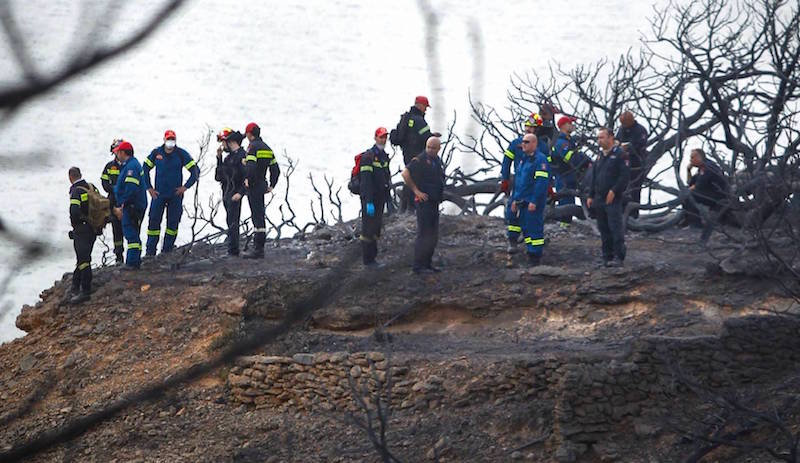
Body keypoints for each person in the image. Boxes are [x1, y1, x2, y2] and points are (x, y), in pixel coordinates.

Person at [142, 130, 199, 256]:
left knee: (172, 224)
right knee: (153, 222)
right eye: (168, 139)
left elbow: (195, 171)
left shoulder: (181, 154)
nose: (170, 142)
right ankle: (150, 252)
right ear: (164, 139)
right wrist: (149, 188)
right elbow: (144, 169)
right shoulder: (157, 153)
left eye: (173, 139)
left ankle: (167, 250)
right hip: (158, 195)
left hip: (175, 195)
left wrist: (185, 187)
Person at [390, 96, 441, 213]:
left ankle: (404, 207)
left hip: (406, 153)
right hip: (417, 154)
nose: (426, 110)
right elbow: (426, 137)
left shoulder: (406, 118)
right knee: (416, 179)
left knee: (409, 177)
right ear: (420, 105)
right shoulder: (419, 120)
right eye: (425, 107)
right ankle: (411, 207)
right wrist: (433, 137)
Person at [588, 128, 630, 267]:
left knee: (615, 227)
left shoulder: (620, 154)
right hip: (599, 197)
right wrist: (590, 195)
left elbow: (624, 176)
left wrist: (614, 191)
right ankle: (607, 256)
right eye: (598, 138)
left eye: (602, 137)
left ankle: (619, 256)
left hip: (613, 198)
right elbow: (594, 176)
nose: (599, 141)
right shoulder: (600, 155)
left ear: (610, 137)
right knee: (603, 228)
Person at [402, 137, 445, 274]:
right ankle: (418, 266)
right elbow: (405, 173)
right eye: (428, 147)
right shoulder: (419, 160)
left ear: (439, 149)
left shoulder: (437, 161)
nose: (430, 150)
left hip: (434, 201)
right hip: (423, 202)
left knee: (433, 234)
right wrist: (416, 191)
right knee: (424, 233)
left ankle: (427, 263)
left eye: (433, 148)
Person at [500, 113, 540, 254]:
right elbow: (506, 162)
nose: (528, 129)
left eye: (532, 127)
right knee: (513, 212)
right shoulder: (516, 144)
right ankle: (513, 241)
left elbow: (547, 166)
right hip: (519, 183)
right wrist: (505, 179)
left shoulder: (541, 146)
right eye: (527, 126)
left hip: (534, 185)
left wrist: (547, 186)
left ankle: (531, 246)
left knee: (531, 215)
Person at [511, 134, 550, 266]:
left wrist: (534, 201)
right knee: (526, 228)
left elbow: (541, 183)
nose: (523, 144)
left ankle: (535, 256)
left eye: (527, 142)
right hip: (522, 201)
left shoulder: (540, 160)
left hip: (533, 202)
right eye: (523, 142)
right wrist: (515, 200)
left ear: (534, 143)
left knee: (534, 229)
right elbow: (519, 183)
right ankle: (530, 252)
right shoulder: (524, 159)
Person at [242, 122, 280, 259]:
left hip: (254, 186)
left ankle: (258, 249)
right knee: (260, 215)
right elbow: (275, 169)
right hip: (262, 185)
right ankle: (259, 247)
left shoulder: (252, 147)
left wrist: (248, 179)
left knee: (256, 216)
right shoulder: (267, 148)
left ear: (249, 134)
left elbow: (251, 166)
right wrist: (272, 184)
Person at [358, 127, 393, 266]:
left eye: (385, 137)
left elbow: (386, 178)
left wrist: (388, 198)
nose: (383, 140)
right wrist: (368, 201)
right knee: (368, 229)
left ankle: (373, 257)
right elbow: (366, 181)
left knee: (376, 228)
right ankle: (368, 260)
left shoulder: (384, 156)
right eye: (381, 137)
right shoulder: (368, 157)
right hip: (370, 198)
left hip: (380, 197)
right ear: (375, 138)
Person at [112, 141, 148, 270]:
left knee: (131, 234)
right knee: (134, 234)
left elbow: (131, 189)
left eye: (118, 153)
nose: (117, 156)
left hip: (132, 206)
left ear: (123, 153)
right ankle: (135, 260)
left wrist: (123, 204)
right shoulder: (130, 165)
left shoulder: (131, 167)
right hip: (134, 205)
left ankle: (132, 263)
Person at [550, 116, 591, 227]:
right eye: (570, 123)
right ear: (563, 126)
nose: (573, 126)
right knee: (565, 202)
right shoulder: (561, 143)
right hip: (563, 177)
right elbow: (572, 158)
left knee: (571, 201)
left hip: (571, 177)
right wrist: (586, 160)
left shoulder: (569, 141)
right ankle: (563, 226)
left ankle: (567, 224)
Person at [67, 167, 98, 304]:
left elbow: (74, 211)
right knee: (83, 257)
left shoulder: (76, 191)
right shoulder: (91, 187)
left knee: (84, 260)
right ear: (80, 174)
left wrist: (75, 227)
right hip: (93, 228)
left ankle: (85, 291)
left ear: (70, 177)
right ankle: (75, 284)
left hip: (82, 229)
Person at [215, 128, 247, 257]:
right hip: (226, 193)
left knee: (233, 222)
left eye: (223, 142)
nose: (222, 146)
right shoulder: (228, 158)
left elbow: (247, 177)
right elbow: (218, 177)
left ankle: (233, 251)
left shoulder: (242, 156)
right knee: (229, 221)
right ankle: (231, 248)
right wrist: (219, 158)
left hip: (235, 194)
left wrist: (240, 193)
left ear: (230, 142)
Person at [683, 148, 729, 229]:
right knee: (686, 191)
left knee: (690, 194)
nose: (690, 160)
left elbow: (699, 185)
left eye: (692, 158)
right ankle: (687, 219)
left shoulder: (708, 167)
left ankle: (695, 223)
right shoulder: (701, 168)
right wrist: (688, 171)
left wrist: (687, 191)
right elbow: (690, 183)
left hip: (718, 196)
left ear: (699, 157)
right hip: (708, 192)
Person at [615, 111, 648, 218]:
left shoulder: (640, 130)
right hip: (623, 164)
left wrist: (629, 147)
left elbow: (641, 144)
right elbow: (617, 140)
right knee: (621, 188)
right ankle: (622, 212)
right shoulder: (621, 129)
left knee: (635, 190)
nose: (624, 125)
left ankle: (634, 214)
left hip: (636, 164)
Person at [100, 139, 125, 264]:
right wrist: (113, 189)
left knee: (130, 228)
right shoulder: (109, 166)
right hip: (114, 200)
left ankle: (133, 256)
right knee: (116, 229)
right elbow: (104, 182)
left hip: (127, 199)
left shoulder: (129, 165)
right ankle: (119, 256)